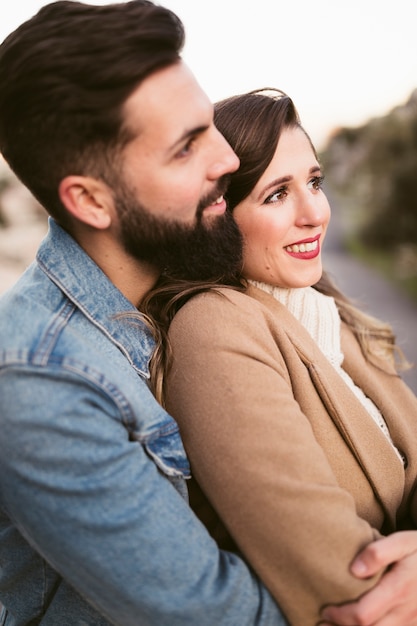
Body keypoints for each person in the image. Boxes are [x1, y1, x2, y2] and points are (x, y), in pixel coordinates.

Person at [0, 4, 292, 624]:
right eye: (186, 149)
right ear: (90, 200)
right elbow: (220, 616)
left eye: (209, 126)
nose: (228, 160)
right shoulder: (41, 380)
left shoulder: (182, 279)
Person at [142, 89, 417, 626]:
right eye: (276, 195)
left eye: (314, 182)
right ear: (217, 218)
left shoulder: (329, 312)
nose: (315, 213)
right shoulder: (212, 324)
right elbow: (340, 574)